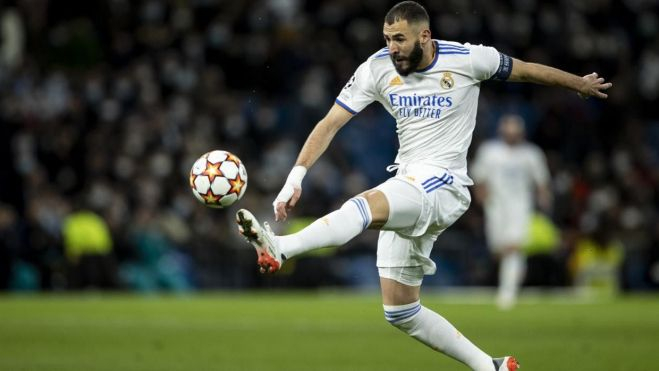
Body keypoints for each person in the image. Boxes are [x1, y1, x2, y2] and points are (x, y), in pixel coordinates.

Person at [235, 2, 611, 370]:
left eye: (399, 38)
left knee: (365, 204)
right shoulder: (376, 68)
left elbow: (526, 71)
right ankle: (491, 366)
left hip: (445, 183)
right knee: (400, 311)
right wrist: (295, 176)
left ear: (425, 35)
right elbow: (330, 123)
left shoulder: (467, 59)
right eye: (386, 39)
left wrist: (577, 83)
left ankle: (282, 247)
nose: (391, 47)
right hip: (410, 180)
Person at [471, 115, 553, 310]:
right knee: (499, 248)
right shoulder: (489, 151)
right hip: (496, 207)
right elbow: (479, 178)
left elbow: (541, 181)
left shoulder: (531, 154)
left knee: (514, 247)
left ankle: (508, 293)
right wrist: (481, 200)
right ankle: (511, 281)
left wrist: (544, 201)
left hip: (521, 207)